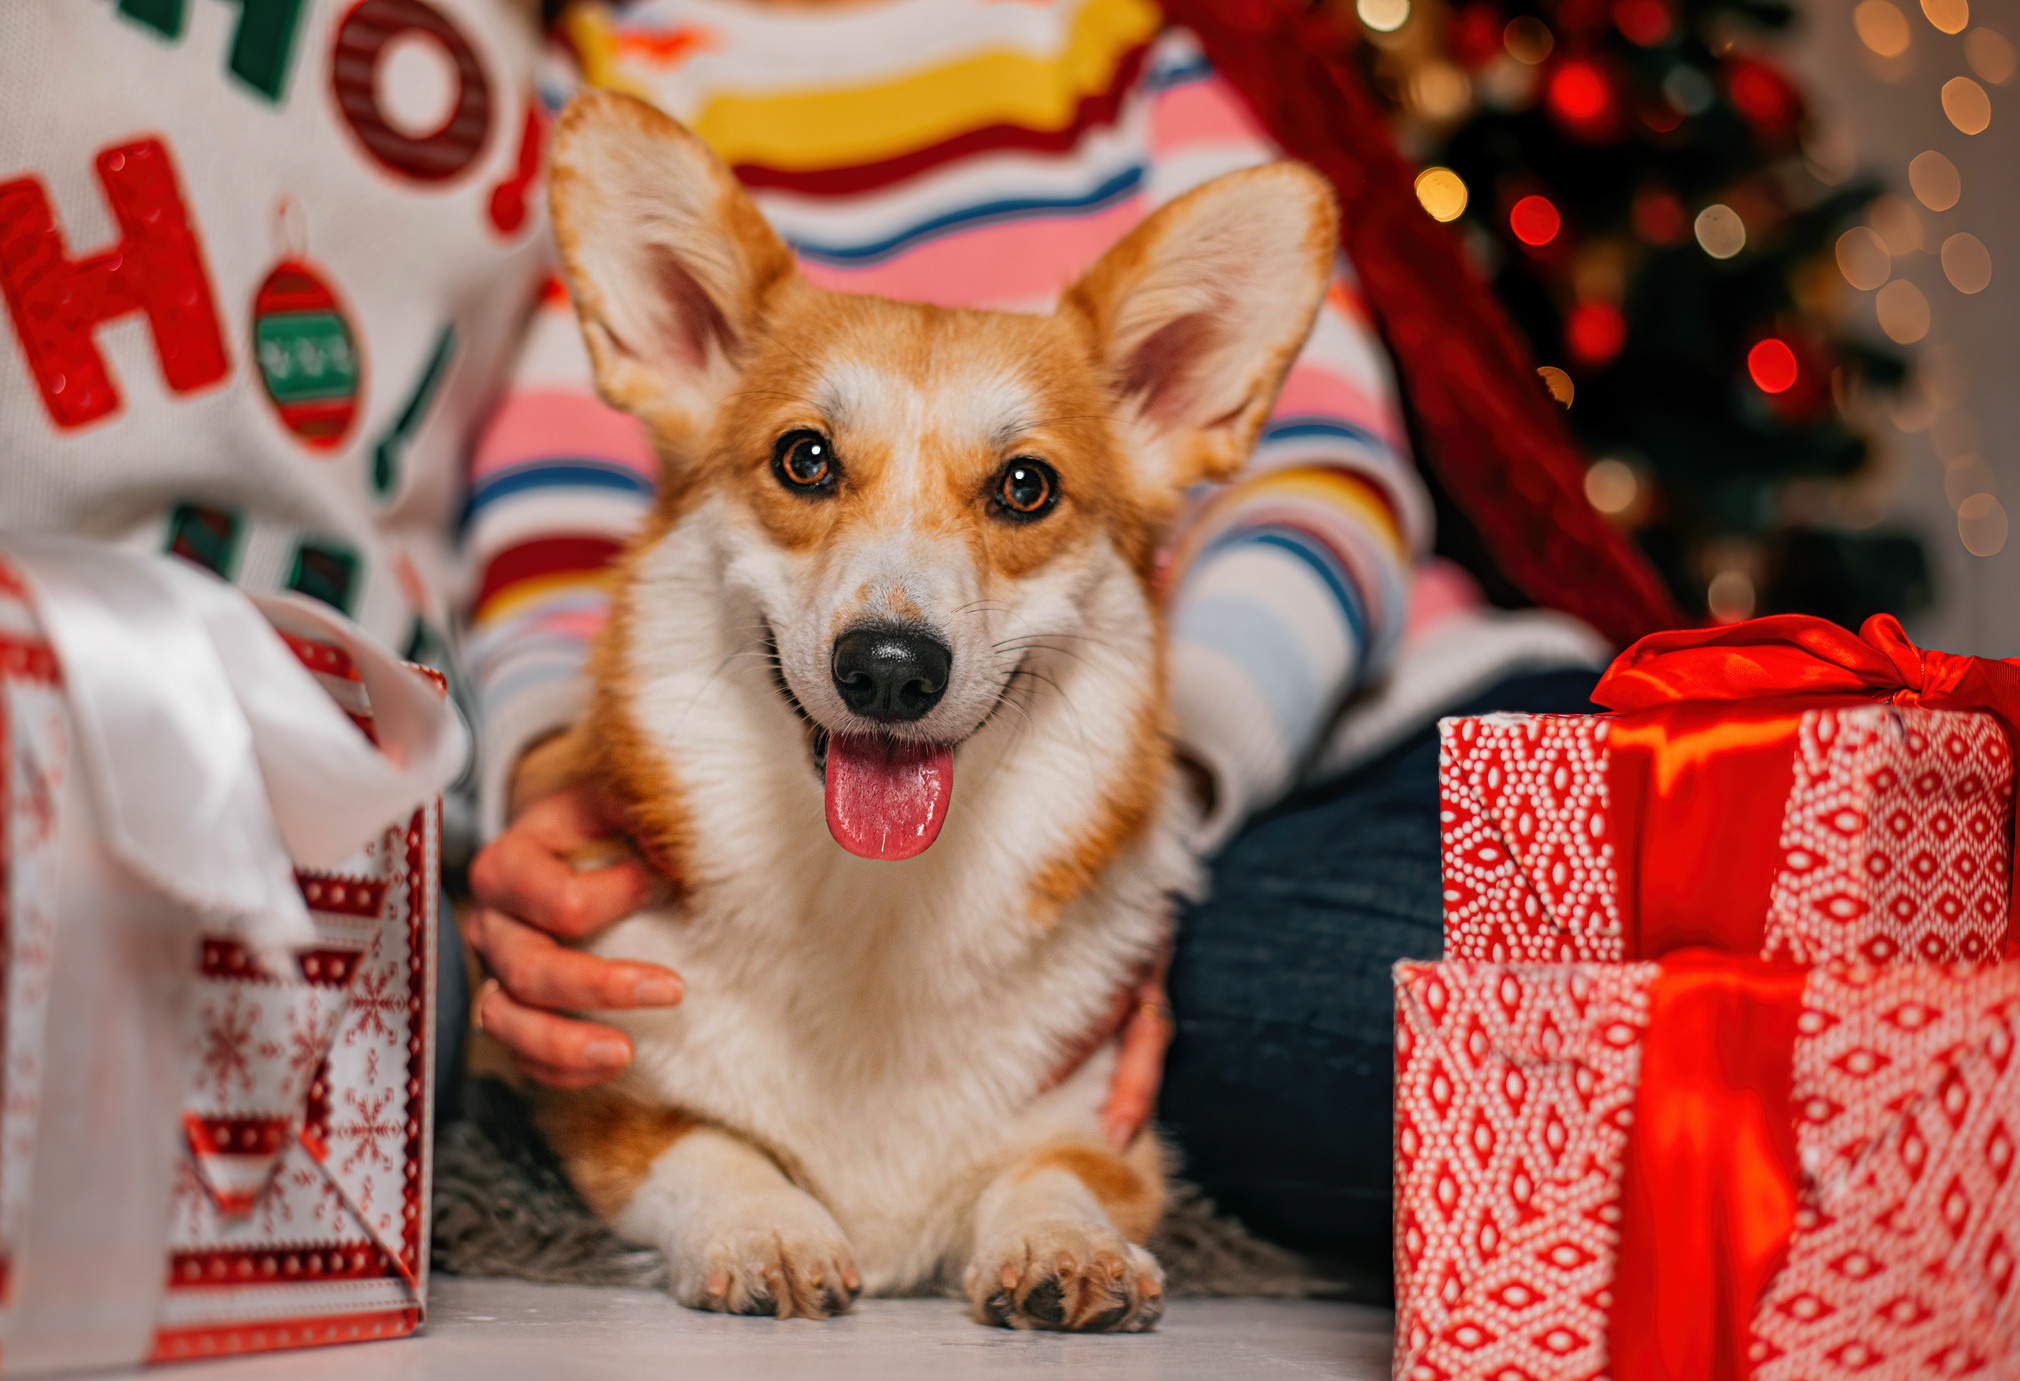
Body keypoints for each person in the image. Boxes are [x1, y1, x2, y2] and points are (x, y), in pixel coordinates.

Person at [461, 0, 1616, 1278]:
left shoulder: (1120, 42)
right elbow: (557, 524)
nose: (892, 646)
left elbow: (1327, 486)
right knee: (1328, 1038)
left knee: (1468, 991)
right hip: (973, 855)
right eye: (809, 462)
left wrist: (1174, 783)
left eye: (1018, 488)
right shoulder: (616, 65)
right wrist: (551, 777)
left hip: (1385, 723)